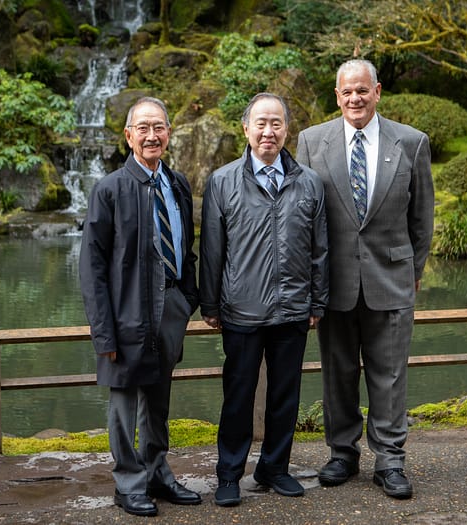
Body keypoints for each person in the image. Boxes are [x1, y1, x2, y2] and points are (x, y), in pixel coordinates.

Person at [295, 59, 434, 499]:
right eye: (346, 92)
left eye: (362, 90)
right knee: (337, 373)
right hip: (333, 282)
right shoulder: (311, 142)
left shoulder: (411, 143)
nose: (354, 98)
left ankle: (390, 460)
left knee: (389, 375)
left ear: (377, 91)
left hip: (391, 277)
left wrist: (413, 272)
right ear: (336, 96)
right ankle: (342, 453)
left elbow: (423, 219)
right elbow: (301, 220)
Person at [200, 93, 328, 507]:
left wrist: (317, 302)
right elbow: (212, 251)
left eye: (276, 123)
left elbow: (319, 250)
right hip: (242, 310)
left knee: (285, 396)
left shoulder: (308, 182)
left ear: (286, 130)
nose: (268, 131)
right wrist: (211, 305)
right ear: (246, 129)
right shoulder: (222, 181)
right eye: (260, 123)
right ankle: (229, 473)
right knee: (237, 396)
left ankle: (274, 468)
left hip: (293, 309)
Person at [78, 97, 201, 517]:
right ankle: (128, 483)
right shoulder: (109, 189)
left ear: (169, 133)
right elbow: (91, 267)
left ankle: (157, 472)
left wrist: (188, 298)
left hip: (169, 306)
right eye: (143, 128)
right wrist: (103, 332)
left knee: (159, 397)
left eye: (159, 128)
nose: (152, 136)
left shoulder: (178, 184)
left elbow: (186, 246)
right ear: (128, 136)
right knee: (123, 402)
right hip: (126, 310)